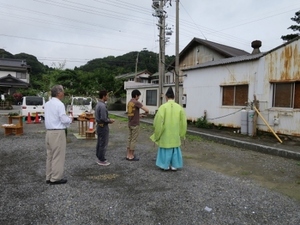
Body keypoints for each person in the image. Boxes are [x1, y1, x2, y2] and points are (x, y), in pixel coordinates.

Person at [150, 87, 187, 171]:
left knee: (165, 149)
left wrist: (157, 133)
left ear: (166, 97)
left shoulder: (163, 107)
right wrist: (182, 133)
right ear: (174, 97)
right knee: (175, 149)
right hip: (175, 132)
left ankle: (165, 165)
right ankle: (174, 165)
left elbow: (158, 121)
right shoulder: (179, 107)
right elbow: (183, 122)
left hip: (165, 133)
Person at [44, 85, 73, 185]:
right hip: (57, 132)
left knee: (50, 155)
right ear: (58, 93)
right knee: (58, 155)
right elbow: (63, 119)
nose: (64, 93)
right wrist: (70, 119)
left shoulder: (47, 103)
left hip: (49, 132)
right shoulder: (59, 104)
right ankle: (56, 178)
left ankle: (49, 176)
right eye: (63, 92)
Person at [126, 89, 149, 161]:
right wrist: (146, 113)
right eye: (138, 96)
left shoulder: (129, 102)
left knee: (130, 139)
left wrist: (139, 115)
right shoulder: (136, 102)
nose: (138, 97)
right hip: (135, 124)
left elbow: (132, 113)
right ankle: (131, 156)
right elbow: (146, 110)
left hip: (130, 123)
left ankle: (128, 154)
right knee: (133, 140)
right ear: (136, 95)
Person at [95, 90, 115, 166]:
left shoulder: (98, 104)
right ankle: (101, 159)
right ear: (103, 96)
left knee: (99, 142)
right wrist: (110, 120)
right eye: (107, 96)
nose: (108, 97)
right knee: (103, 142)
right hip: (103, 126)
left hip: (99, 126)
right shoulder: (102, 106)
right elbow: (103, 118)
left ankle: (99, 157)